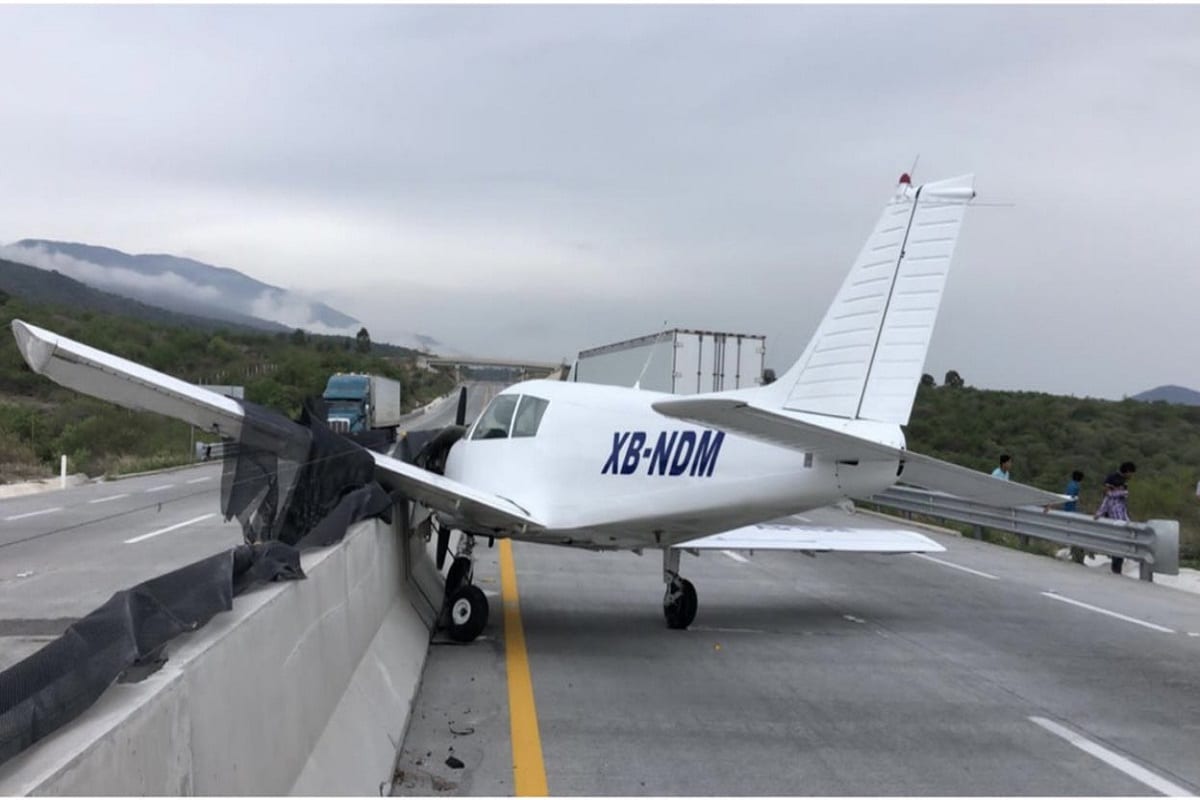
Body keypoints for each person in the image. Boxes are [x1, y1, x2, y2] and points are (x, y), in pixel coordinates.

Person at [1094, 461, 1136, 574]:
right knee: (1117, 544)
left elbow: (1121, 505)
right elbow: (1107, 498)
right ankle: (1116, 567)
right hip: (1114, 519)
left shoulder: (1120, 491)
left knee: (1120, 544)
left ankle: (1117, 567)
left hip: (1121, 518)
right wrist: (1099, 513)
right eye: (1131, 473)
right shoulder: (1113, 483)